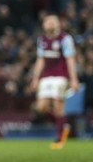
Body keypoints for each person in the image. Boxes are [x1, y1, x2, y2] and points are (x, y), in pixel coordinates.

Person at [29, 14, 80, 149]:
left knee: (58, 106)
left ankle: (59, 138)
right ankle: (63, 125)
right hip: (46, 77)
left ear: (59, 24)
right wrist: (35, 78)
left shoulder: (65, 39)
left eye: (53, 21)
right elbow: (40, 59)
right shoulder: (42, 40)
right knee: (40, 108)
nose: (50, 23)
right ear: (43, 24)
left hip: (60, 76)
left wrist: (74, 79)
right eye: (48, 21)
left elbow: (70, 59)